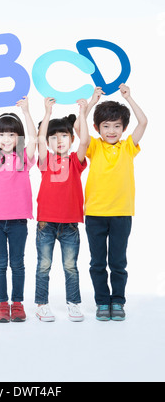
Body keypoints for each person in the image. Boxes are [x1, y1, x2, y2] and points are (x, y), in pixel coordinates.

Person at [74, 84, 148, 321]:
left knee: (118, 262)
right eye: (106, 126)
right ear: (98, 128)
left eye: (117, 126)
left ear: (123, 128)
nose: (112, 130)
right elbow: (78, 127)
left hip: (122, 213)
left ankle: (118, 301)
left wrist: (130, 97)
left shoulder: (128, 147)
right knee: (97, 263)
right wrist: (92, 102)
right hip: (95, 214)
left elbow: (144, 122)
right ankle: (102, 302)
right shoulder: (94, 146)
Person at [0, 96, 37, 323]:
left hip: (18, 220)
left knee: (18, 263)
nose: (6, 138)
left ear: (18, 137)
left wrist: (27, 112)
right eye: (1, 134)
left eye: (12, 134)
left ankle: (18, 303)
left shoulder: (24, 157)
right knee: (0, 262)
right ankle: (2, 304)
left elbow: (34, 138)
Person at [35, 97, 88, 322]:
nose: (59, 141)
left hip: (70, 225)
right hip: (46, 223)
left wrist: (82, 113)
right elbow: (38, 140)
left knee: (71, 267)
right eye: (54, 137)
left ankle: (74, 304)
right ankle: (41, 304)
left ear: (71, 138)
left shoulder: (76, 160)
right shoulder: (46, 160)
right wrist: (47, 113)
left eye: (64, 136)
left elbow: (85, 140)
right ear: (48, 141)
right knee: (44, 266)